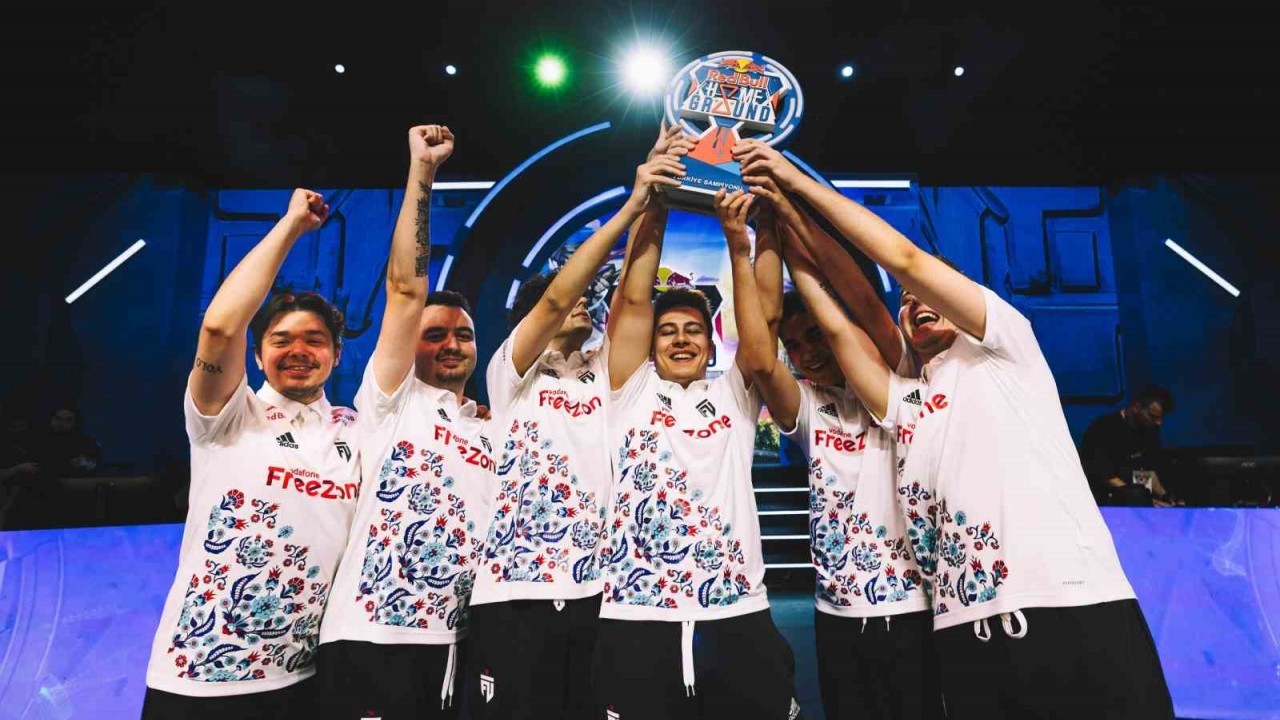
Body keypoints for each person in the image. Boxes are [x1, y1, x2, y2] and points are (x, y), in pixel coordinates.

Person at [737, 141, 1174, 719]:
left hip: (1070, 606)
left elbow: (903, 263)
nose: (916, 301)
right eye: (907, 303)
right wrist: (780, 221)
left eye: (930, 292)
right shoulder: (905, 400)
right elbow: (840, 322)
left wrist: (795, 186)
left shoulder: (1004, 349)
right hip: (964, 626)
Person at [466, 125, 689, 720]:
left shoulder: (605, 374)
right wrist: (630, 205)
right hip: (514, 590)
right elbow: (553, 299)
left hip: (599, 587)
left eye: (588, 299)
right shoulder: (510, 373)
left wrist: (657, 195)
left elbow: (636, 296)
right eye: (573, 299)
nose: (582, 302)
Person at [142, 189, 361, 719]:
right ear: (257, 357)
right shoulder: (228, 414)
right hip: (197, 677)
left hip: (302, 679)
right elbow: (220, 327)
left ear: (336, 354)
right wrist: (291, 226)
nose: (298, 351)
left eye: (314, 340)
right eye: (281, 340)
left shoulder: (357, 431)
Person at [591, 187, 800, 720]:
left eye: (693, 331)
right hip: (636, 616)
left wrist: (748, 237)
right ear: (650, 343)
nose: (680, 340)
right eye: (667, 332)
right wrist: (656, 200)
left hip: (736, 611)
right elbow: (633, 300)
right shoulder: (627, 390)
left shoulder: (733, 395)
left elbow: (766, 318)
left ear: (710, 344)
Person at [309, 125, 496, 719]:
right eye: (434, 334)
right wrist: (423, 172)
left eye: (463, 335)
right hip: (372, 640)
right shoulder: (392, 400)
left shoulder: (490, 428)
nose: (451, 344)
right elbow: (404, 289)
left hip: (456, 644)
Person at [742, 180, 942, 720]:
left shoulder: (901, 378)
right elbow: (760, 359)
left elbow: (856, 303)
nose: (806, 353)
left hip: (914, 608)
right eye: (795, 346)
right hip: (834, 614)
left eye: (816, 338)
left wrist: (790, 224)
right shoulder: (810, 407)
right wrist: (764, 231)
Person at [1080, 385, 1179, 507]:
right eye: (1153, 416)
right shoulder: (1104, 429)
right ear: (1136, 407)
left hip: (1131, 480)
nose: (1159, 423)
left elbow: (1147, 473)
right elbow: (1106, 477)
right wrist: (1146, 501)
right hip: (1105, 492)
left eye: (1161, 418)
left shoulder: (1150, 429)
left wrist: (1167, 497)